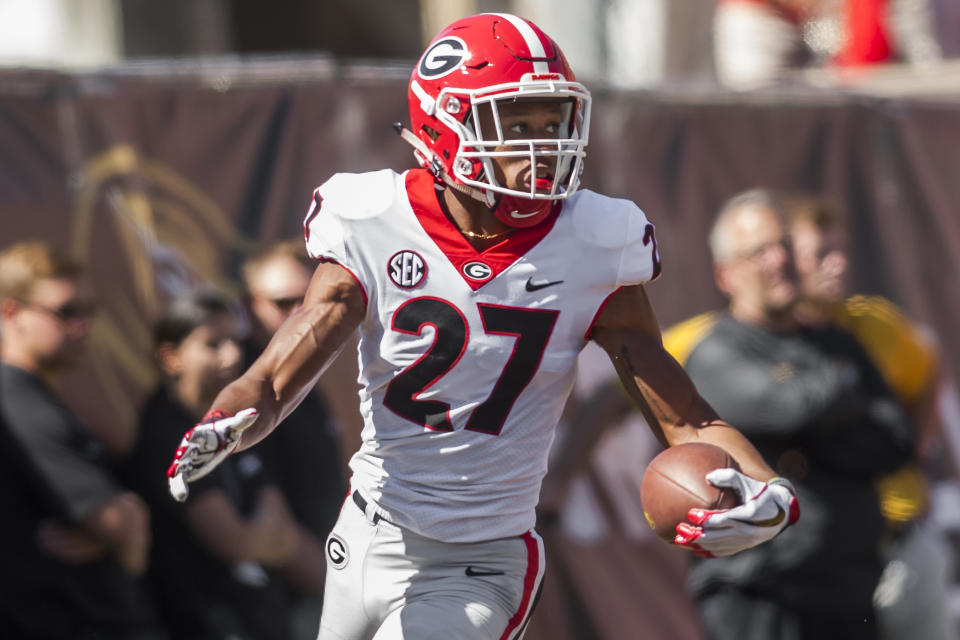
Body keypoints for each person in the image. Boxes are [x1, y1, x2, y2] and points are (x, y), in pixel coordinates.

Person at [166, 14, 801, 640]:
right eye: (515, 125)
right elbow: (288, 363)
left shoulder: (593, 241)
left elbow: (684, 416)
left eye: (552, 123)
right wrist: (230, 413)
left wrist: (771, 491)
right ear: (441, 129)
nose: (542, 148)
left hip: (479, 560)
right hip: (365, 535)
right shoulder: (374, 218)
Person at [668, 189, 914, 639]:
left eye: (784, 245)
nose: (778, 260)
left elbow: (895, 441)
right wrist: (841, 394)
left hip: (850, 591)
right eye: (760, 251)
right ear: (725, 273)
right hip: (759, 593)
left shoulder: (839, 342)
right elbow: (790, 410)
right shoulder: (716, 353)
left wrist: (815, 439)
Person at [788, 197, 956, 640]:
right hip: (818, 558)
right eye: (821, 253)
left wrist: (915, 445)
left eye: (840, 250)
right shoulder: (741, 341)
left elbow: (929, 363)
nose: (838, 264)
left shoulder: (874, 324)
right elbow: (641, 363)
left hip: (897, 544)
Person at [0, 240, 163, 638]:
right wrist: (126, 527)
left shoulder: (38, 398)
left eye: (88, 311)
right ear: (10, 312)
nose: (83, 325)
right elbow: (121, 525)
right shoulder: (17, 402)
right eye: (67, 311)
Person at [122, 288, 300, 640]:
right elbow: (232, 542)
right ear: (171, 357)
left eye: (235, 340)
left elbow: (286, 535)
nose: (232, 355)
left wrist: (259, 538)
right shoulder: (167, 433)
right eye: (213, 344)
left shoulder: (228, 423)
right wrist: (262, 538)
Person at [241, 240, 347, 638]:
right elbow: (273, 527)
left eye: (311, 301)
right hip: (291, 606)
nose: (301, 315)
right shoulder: (248, 385)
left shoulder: (304, 374)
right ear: (248, 304)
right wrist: (344, 597)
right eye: (284, 302)